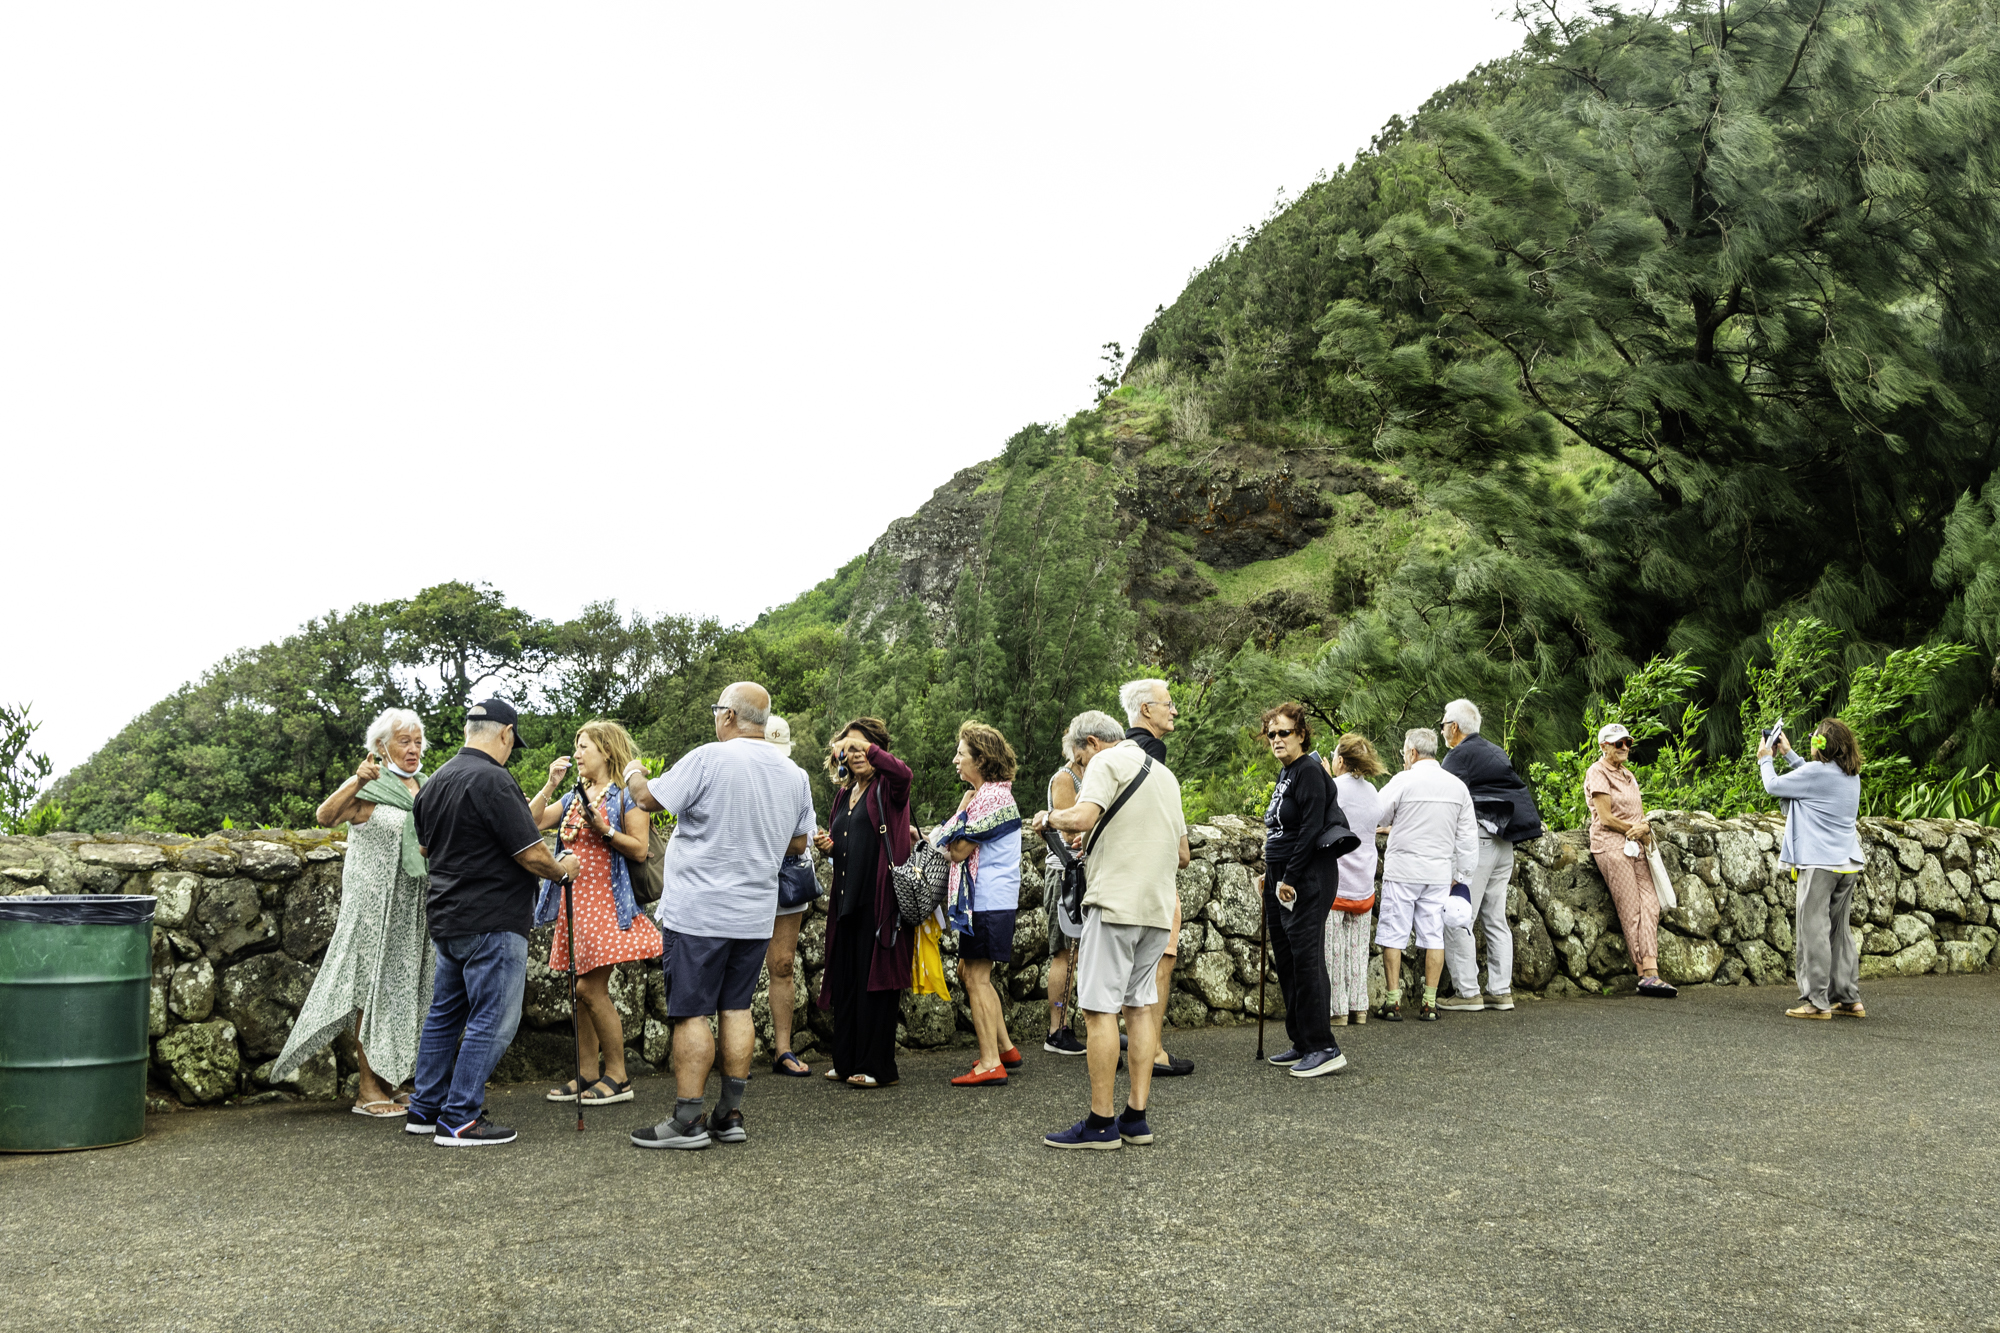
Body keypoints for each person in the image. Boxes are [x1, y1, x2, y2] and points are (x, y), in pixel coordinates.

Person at [623, 682, 815, 1148]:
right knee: (737, 1007)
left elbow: (648, 800)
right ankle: (729, 1115)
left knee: (691, 1013)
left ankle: (688, 1119)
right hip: (754, 912)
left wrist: (632, 772)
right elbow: (798, 842)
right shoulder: (795, 775)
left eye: (717, 710)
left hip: (699, 913)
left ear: (728, 715)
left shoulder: (709, 757)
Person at [406, 698, 578, 1147]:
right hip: (493, 918)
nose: (510, 751)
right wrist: (563, 870)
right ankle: (460, 1117)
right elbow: (530, 852)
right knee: (493, 1019)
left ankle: (425, 1108)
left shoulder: (435, 781)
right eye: (512, 743)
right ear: (504, 733)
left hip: (447, 916)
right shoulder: (494, 781)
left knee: (445, 1015)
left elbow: (427, 851)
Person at [1031, 710, 1189, 1150]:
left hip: (1114, 903)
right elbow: (1182, 855)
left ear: (1092, 743)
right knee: (1139, 1008)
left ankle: (1101, 1123)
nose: (1082, 766)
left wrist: (1050, 818)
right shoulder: (1165, 776)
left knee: (1100, 1011)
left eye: (1080, 757)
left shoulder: (1105, 762)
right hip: (1156, 909)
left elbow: (1080, 816)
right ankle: (1136, 1118)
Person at [271, 708, 436, 1118]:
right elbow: (325, 817)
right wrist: (359, 781)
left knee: (406, 990)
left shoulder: (426, 788)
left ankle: (394, 1081)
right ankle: (367, 1089)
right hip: (372, 906)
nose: (413, 748)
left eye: (417, 741)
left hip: (413, 905)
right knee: (371, 989)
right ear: (381, 746)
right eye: (404, 741)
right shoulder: (367, 782)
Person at [529, 719, 663, 1106]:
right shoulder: (575, 795)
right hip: (576, 907)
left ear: (606, 751)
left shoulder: (625, 797)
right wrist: (551, 783)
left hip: (606, 905)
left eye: (583, 746)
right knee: (577, 992)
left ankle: (619, 1076)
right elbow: (533, 821)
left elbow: (639, 849)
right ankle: (587, 1073)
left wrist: (605, 830)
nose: (577, 754)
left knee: (590, 989)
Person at [811, 716, 915, 1090]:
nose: (853, 755)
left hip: (881, 903)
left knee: (878, 986)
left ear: (877, 750)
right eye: (848, 748)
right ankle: (846, 1060)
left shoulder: (889, 788)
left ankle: (877, 1066)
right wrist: (831, 848)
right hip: (847, 902)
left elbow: (906, 774)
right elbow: (853, 845)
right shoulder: (844, 794)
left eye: (862, 748)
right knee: (848, 981)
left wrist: (866, 748)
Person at [1258, 703, 1359, 1077]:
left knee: (1306, 957)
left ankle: (1324, 1045)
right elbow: (1280, 831)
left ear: (1301, 733)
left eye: (1283, 732)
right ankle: (1302, 1041)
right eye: (1271, 734)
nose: (1276, 740)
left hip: (1307, 877)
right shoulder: (1287, 774)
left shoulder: (1310, 773)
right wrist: (1270, 871)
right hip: (1282, 873)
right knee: (1286, 959)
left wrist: (1290, 878)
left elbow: (1311, 829)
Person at [1437, 698, 1546, 1012]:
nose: (1443, 729)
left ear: (1454, 727)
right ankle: (1500, 991)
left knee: (1459, 916)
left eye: (1444, 724)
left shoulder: (1459, 756)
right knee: (1495, 919)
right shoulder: (1496, 751)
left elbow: (1443, 800)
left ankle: (1468, 993)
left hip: (1478, 841)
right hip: (1504, 840)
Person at [1759, 719, 1867, 1020]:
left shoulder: (1817, 773)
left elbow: (1773, 785)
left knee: (1813, 930)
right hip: (1847, 864)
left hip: (1820, 864)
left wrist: (1766, 759)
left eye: (1813, 739)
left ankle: (1816, 1002)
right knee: (1839, 932)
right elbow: (1812, 776)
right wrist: (1790, 755)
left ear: (1821, 745)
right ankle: (1848, 998)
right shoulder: (1850, 775)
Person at [938, 721, 1026, 1086]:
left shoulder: (989, 798)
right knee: (970, 973)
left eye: (961, 753)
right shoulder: (992, 794)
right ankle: (1004, 1047)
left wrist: (960, 810)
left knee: (976, 977)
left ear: (981, 758)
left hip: (987, 900)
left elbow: (957, 850)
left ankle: (991, 1062)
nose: (956, 759)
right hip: (992, 899)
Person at [1373, 728, 1478, 1022]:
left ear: (1412, 753)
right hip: (1439, 873)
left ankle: (1393, 1002)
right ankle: (1429, 1003)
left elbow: (1377, 814)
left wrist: (1393, 825)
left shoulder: (1403, 781)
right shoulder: (1457, 786)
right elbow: (1467, 836)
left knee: (1394, 934)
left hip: (1403, 870)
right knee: (1434, 936)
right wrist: (1463, 874)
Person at [1119, 677, 1193, 1079]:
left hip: (1121, 877)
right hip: (1151, 878)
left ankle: (1130, 1043)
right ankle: (1155, 1051)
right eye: (1168, 704)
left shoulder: (1116, 753)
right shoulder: (1152, 751)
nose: (1174, 710)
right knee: (1160, 962)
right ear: (1146, 709)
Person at [1585, 722, 1676, 997]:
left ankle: (1652, 971)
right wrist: (1634, 829)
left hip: (1636, 845)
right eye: (1618, 743)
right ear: (1604, 746)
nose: (1624, 747)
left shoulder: (1628, 775)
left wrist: (1644, 828)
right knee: (1631, 907)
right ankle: (1645, 973)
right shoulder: (1597, 772)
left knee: (1651, 903)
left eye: (1627, 743)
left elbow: (1638, 813)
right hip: (1611, 845)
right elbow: (1606, 817)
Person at [762, 715, 816, 1076]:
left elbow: (802, 840)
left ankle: (784, 1049)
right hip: (744, 881)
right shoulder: (734, 772)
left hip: (785, 879)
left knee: (783, 964)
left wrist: (758, 840)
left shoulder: (797, 776)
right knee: (735, 966)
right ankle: (733, 1055)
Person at [1322, 733, 1385, 1026]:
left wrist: (1324, 779)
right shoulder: (1373, 792)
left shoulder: (1333, 788)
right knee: (1358, 950)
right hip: (1363, 882)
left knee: (1334, 950)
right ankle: (1359, 1007)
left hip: (1337, 881)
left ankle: (1337, 1010)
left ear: (1341, 760)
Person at [1040, 734, 1087, 1056]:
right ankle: (1056, 1031)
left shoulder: (1089, 777)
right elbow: (1069, 829)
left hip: (1082, 874)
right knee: (1064, 953)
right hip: (1064, 875)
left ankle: (1069, 1026)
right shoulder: (1064, 778)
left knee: (1078, 954)